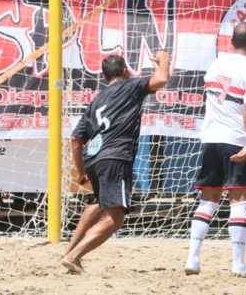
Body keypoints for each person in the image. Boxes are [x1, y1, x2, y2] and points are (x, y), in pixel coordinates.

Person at [63, 51, 170, 274]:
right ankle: (74, 256)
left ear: (104, 77)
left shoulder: (96, 101)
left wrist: (81, 171)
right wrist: (164, 59)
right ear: (125, 71)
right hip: (115, 157)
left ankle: (68, 252)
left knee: (96, 204)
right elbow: (161, 79)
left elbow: (75, 139)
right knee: (115, 217)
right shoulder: (130, 86)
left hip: (93, 158)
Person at [184, 22, 246, 277]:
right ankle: (238, 263)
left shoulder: (216, 63)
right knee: (239, 200)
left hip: (210, 138)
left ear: (232, 41)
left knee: (208, 199)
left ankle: (193, 259)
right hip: (236, 138)